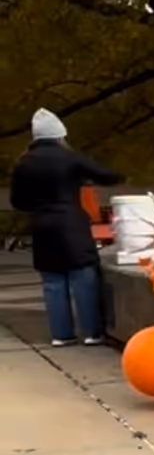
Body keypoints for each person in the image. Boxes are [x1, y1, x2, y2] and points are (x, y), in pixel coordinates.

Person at [9, 109, 122, 346]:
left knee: (52, 280)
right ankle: (92, 332)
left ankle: (61, 335)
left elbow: (17, 201)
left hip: (42, 226)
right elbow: (107, 176)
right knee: (83, 275)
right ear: (60, 135)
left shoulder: (23, 163)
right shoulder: (69, 157)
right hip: (71, 224)